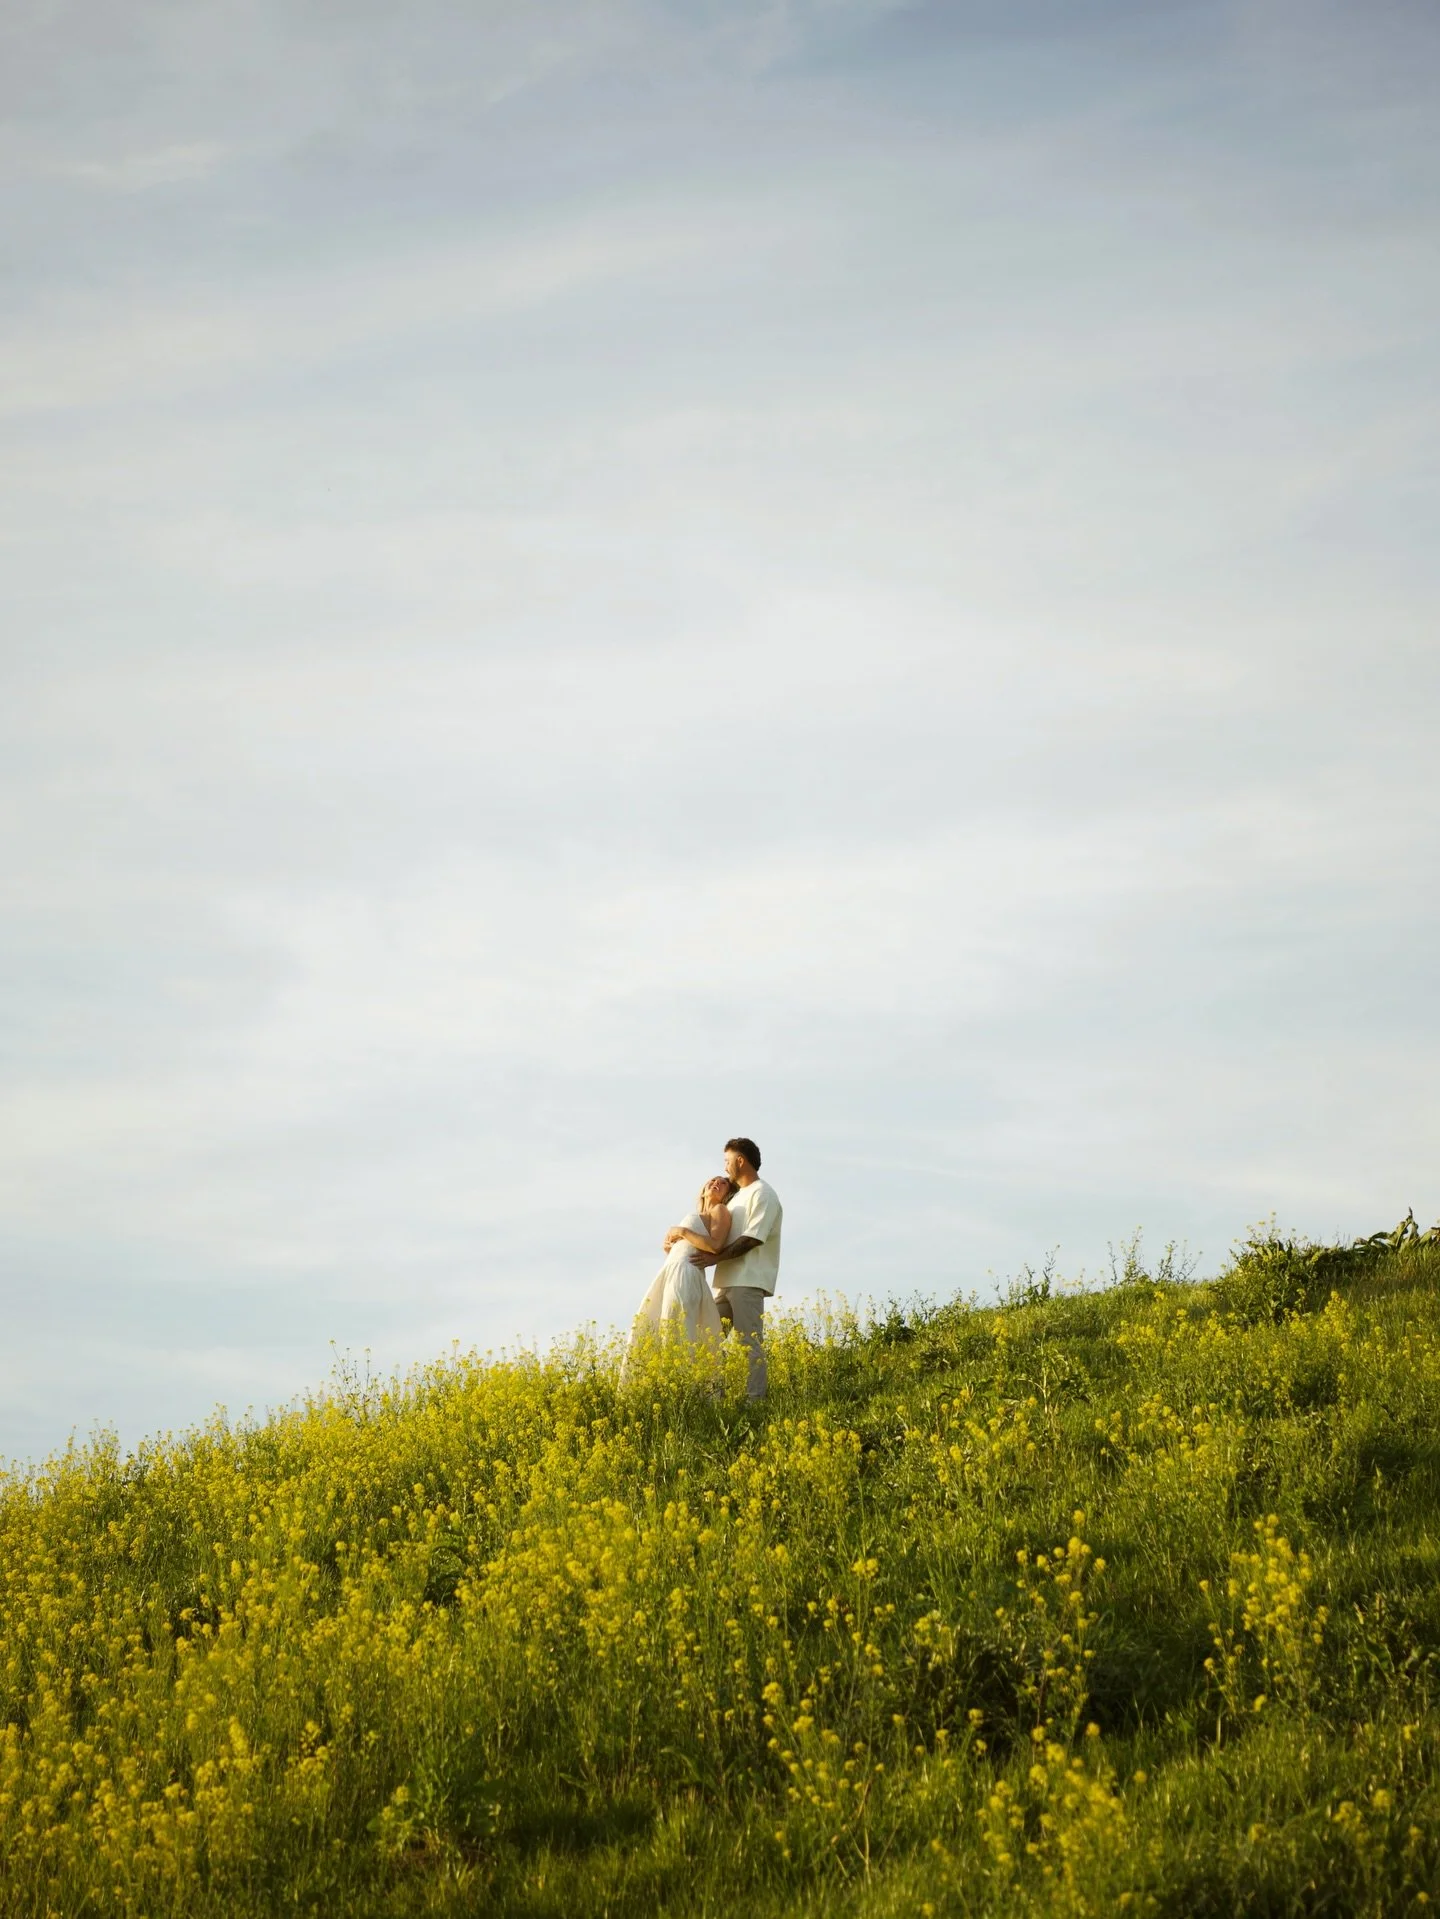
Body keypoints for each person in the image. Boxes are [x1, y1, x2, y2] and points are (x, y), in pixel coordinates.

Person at [665, 1137, 781, 1400]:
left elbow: (753, 1238)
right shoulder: (735, 1200)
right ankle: (708, 1396)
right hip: (726, 1282)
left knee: (749, 1342)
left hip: (748, 1280)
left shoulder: (763, 1193)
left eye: (728, 1161)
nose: (725, 1167)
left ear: (740, 1161)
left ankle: (755, 1402)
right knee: (709, 1337)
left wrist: (715, 1258)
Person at [624, 1174, 733, 1377]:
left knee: (679, 1327)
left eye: (724, 1183)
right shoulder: (697, 1213)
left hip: (685, 1273)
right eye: (713, 1180)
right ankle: (665, 1380)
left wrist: (682, 1231)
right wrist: (670, 1247)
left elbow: (715, 1245)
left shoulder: (719, 1210)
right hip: (671, 1271)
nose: (717, 1183)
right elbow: (689, 1245)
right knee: (660, 1324)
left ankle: (683, 1381)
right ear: (703, 1188)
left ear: (728, 1194)